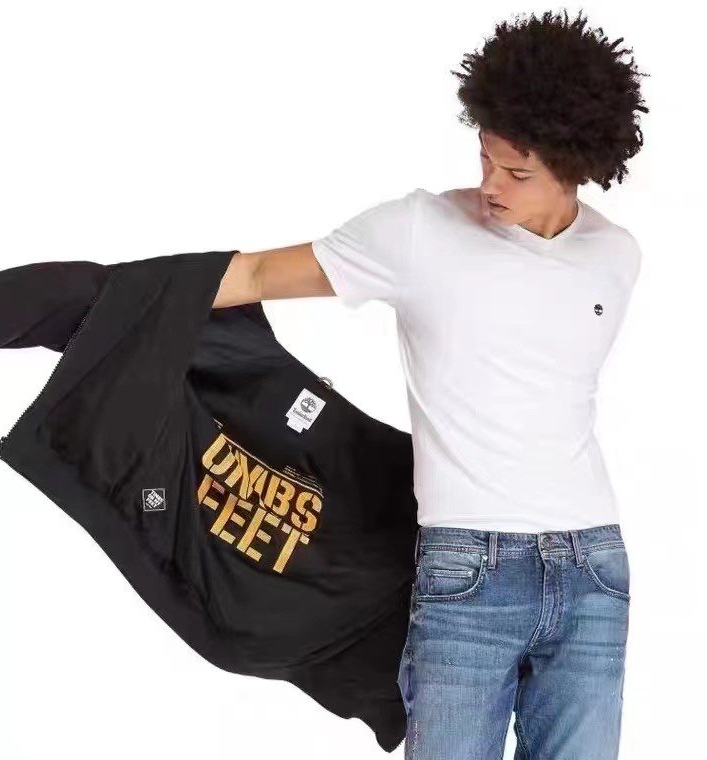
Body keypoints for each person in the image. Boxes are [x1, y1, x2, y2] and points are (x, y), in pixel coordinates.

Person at [209, 8, 648, 759]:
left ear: (577, 165)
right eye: (485, 158)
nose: (490, 184)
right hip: (467, 568)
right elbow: (252, 274)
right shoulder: (418, 233)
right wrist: (112, 299)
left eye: (517, 173)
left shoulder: (618, 255)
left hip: (595, 567)